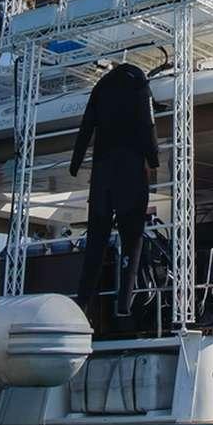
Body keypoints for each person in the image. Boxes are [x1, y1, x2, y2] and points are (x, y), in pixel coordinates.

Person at [69, 59, 159, 330]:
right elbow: (147, 123)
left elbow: (86, 125)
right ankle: (124, 303)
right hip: (130, 169)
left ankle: (83, 300)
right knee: (132, 239)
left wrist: (75, 162)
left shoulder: (101, 85)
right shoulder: (138, 80)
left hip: (102, 172)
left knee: (96, 242)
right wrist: (153, 157)